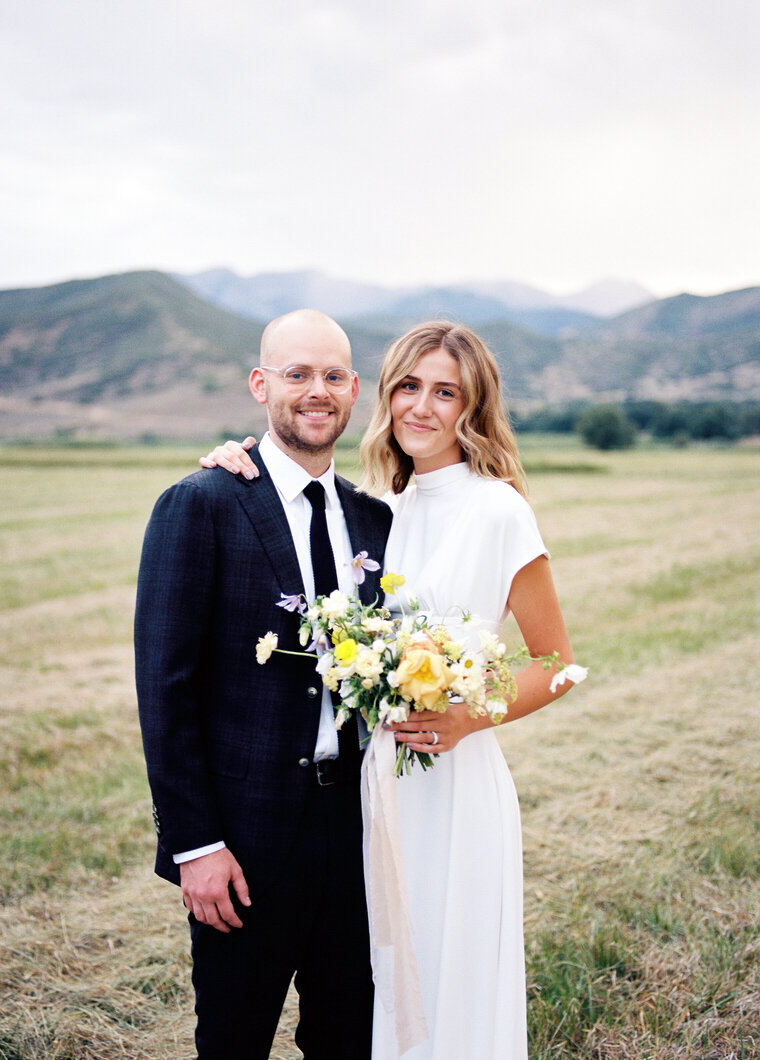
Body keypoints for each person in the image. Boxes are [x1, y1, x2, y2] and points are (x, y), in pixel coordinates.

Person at [202, 321, 581, 1059]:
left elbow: (558, 663)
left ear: (473, 407)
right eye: (408, 386)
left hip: (455, 785)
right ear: (385, 394)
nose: (421, 406)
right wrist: (235, 458)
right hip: (376, 791)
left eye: (446, 392)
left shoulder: (499, 510)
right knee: (375, 987)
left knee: (452, 973)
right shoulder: (376, 509)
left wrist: (468, 719)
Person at [135, 308, 393, 1060]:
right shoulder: (203, 504)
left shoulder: (373, 523)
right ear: (260, 385)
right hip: (242, 842)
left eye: (334, 376)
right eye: (297, 374)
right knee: (234, 1039)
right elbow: (166, 688)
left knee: (349, 1036)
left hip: (358, 832)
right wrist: (197, 845)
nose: (317, 391)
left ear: (354, 391)